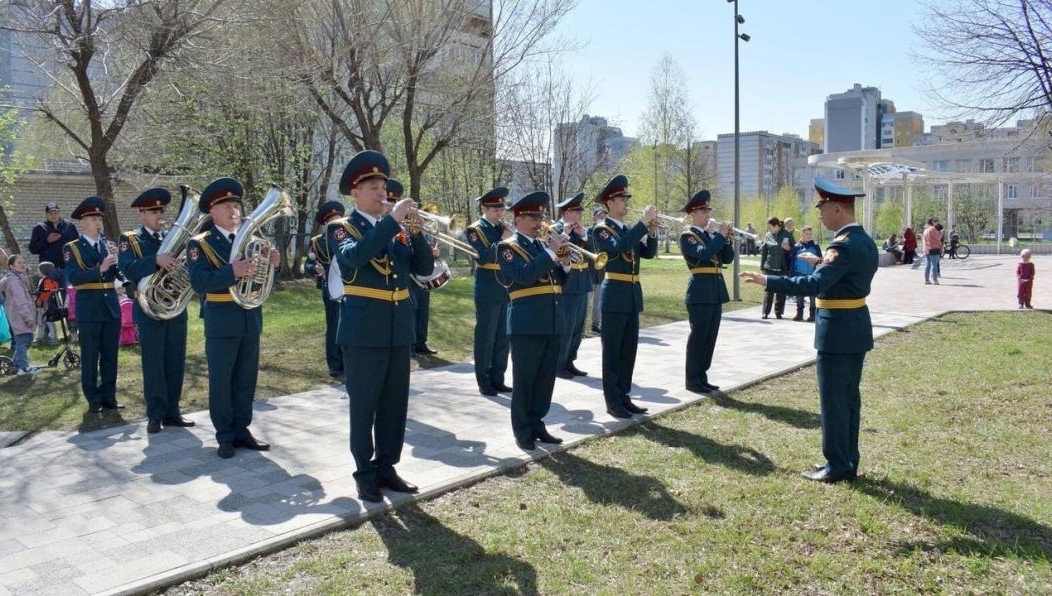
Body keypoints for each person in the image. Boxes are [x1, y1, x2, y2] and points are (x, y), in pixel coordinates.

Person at [741, 176, 878, 483]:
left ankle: (837, 465)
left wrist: (768, 280)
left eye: (823, 208)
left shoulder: (842, 246)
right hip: (855, 327)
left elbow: (814, 284)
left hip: (837, 332)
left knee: (834, 400)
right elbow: (845, 276)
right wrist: (822, 261)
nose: (819, 215)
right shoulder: (864, 241)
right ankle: (847, 459)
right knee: (849, 399)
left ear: (838, 210)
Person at [327, 150, 433, 503]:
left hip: (398, 329)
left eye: (384, 186)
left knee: (394, 405)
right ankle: (364, 472)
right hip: (363, 331)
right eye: (372, 186)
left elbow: (422, 268)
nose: (381, 192)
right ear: (354, 193)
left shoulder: (399, 232)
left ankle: (387, 466)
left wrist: (416, 232)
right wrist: (394, 222)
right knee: (364, 405)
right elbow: (355, 256)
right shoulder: (341, 228)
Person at [187, 177, 280, 458]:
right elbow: (199, 283)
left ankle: (242, 429)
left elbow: (261, 284)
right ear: (212, 211)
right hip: (222, 318)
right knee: (222, 379)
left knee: (245, 378)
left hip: (250, 317)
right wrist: (232, 272)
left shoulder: (253, 241)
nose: (233, 209)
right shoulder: (199, 244)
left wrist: (272, 265)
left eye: (235, 204)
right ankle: (224, 434)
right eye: (226, 205)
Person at [117, 187, 194, 434]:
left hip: (175, 308)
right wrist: (156, 261)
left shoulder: (173, 238)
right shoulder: (130, 239)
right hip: (149, 310)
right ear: (142, 214)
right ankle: (155, 414)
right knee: (154, 364)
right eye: (153, 210)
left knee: (175, 361)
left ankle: (173, 411)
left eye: (161, 210)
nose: (159, 214)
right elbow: (128, 268)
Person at [498, 191, 569, 450]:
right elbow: (525, 276)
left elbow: (558, 282)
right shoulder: (507, 248)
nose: (539, 221)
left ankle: (538, 423)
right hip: (526, 323)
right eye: (533, 217)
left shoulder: (542, 246)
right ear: (518, 219)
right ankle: (522, 429)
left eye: (540, 216)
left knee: (545, 378)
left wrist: (566, 264)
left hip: (551, 320)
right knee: (525, 379)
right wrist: (552, 253)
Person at [591, 174, 658, 419]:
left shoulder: (628, 229)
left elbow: (648, 253)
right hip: (614, 295)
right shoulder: (602, 230)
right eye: (622, 198)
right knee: (612, 351)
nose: (626, 202)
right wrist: (642, 223)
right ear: (609, 203)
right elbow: (618, 249)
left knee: (628, 350)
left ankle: (624, 396)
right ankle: (612, 401)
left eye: (626, 198)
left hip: (631, 295)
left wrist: (651, 231)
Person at [63, 196, 123, 414]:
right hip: (89, 309)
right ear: (82, 222)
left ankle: (109, 397)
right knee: (90, 356)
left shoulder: (107, 245)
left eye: (99, 218)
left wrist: (121, 272)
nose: (98, 222)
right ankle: (93, 399)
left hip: (111, 308)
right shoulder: (73, 248)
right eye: (93, 218)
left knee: (110, 356)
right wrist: (99, 269)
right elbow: (74, 278)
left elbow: (117, 272)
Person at [679, 190, 734, 394]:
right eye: (703, 211)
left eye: (708, 210)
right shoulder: (688, 236)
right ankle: (692, 379)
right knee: (698, 338)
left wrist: (725, 238)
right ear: (692, 214)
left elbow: (727, 258)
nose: (707, 214)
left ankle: (702, 376)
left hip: (714, 290)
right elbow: (704, 254)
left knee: (710, 338)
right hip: (700, 291)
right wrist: (718, 236)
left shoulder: (709, 236)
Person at [465, 187, 513, 397]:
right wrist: (504, 240)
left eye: (501, 208)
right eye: (495, 209)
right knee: (486, 337)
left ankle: (498, 378)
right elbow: (483, 257)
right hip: (487, 286)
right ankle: (484, 381)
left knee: (503, 337)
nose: (499, 212)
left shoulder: (503, 227)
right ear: (485, 207)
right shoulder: (476, 229)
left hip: (506, 286)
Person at [304, 199, 346, 379]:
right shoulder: (317, 242)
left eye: (339, 220)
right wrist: (315, 269)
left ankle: (349, 362)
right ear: (326, 223)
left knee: (349, 324)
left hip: (350, 286)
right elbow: (306, 266)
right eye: (333, 222)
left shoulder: (349, 236)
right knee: (334, 324)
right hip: (330, 287)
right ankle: (335, 365)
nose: (338, 225)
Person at [395, 179, 438, 356]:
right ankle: (411, 345)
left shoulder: (420, 231)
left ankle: (421, 342)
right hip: (409, 278)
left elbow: (424, 261)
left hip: (423, 278)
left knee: (423, 311)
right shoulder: (401, 229)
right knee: (412, 310)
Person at [553, 192, 591, 379]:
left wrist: (583, 234)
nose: (579, 216)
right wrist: (564, 234)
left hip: (582, 283)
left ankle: (570, 360)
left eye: (580, 212)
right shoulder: (555, 229)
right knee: (566, 327)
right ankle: (558, 364)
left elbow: (594, 250)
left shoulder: (581, 230)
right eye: (576, 212)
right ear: (567, 212)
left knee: (578, 327)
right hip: (567, 284)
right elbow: (552, 252)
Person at [0, 254, 41, 375]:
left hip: (19, 314)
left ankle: (16, 364)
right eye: (19, 263)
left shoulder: (17, 278)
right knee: (23, 340)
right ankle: (23, 367)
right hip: (19, 315)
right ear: (11, 266)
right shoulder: (14, 281)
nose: (23, 265)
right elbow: (21, 302)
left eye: (23, 262)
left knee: (26, 338)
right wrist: (28, 318)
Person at [29, 202, 79, 274]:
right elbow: (33, 249)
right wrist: (46, 241)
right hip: (49, 270)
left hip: (67, 267)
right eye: (50, 213)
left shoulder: (69, 226)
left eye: (56, 213)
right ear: (46, 215)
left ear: (59, 213)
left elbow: (77, 245)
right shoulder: (39, 228)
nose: (53, 215)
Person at [760, 217, 790, 319]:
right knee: (769, 291)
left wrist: (789, 248)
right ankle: (765, 312)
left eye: (770, 227)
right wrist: (762, 266)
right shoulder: (768, 235)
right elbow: (764, 252)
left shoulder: (786, 234)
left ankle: (779, 312)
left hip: (782, 267)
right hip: (769, 267)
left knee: (781, 291)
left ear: (776, 226)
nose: (769, 229)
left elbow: (794, 248)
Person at [791, 226, 822, 321]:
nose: (809, 236)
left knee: (813, 297)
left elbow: (820, 261)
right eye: (807, 233)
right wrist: (792, 276)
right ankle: (799, 314)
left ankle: (813, 315)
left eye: (810, 234)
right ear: (802, 234)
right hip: (799, 274)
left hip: (812, 274)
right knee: (799, 296)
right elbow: (792, 262)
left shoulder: (815, 247)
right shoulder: (796, 247)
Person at [588, 205, 607, 333]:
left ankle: (595, 324)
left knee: (598, 302)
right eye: (599, 214)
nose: (602, 217)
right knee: (586, 302)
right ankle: (581, 326)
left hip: (600, 272)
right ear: (593, 216)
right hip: (588, 272)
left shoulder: (605, 232)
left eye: (603, 215)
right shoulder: (586, 231)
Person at [923, 217, 943, 285]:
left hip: (927, 249)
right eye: (936, 221)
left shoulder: (925, 230)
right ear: (932, 222)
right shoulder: (932, 229)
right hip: (934, 249)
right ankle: (935, 280)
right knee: (934, 265)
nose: (937, 223)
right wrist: (940, 232)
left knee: (928, 265)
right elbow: (938, 237)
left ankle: (927, 280)